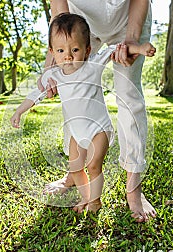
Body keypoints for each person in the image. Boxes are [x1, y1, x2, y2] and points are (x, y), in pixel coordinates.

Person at [11, 13, 155, 213]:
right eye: (61, 50)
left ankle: (95, 201)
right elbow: (36, 95)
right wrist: (19, 111)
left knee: (93, 166)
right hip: (76, 133)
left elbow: (116, 48)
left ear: (87, 51)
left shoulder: (92, 66)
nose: (68, 56)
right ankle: (87, 198)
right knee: (76, 167)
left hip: (98, 129)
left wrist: (140, 48)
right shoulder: (54, 75)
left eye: (75, 49)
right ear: (52, 52)